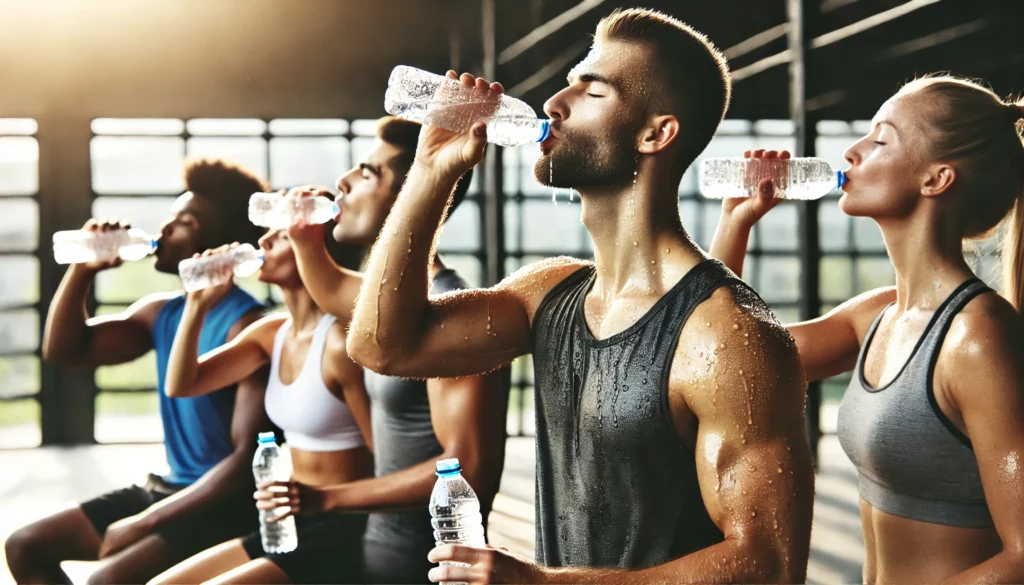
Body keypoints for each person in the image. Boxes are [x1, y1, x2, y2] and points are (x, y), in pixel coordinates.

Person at [345, 8, 814, 584]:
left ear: (654, 133)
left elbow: (766, 564)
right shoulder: (550, 293)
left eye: (592, 90)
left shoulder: (725, 334)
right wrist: (430, 171)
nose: (553, 104)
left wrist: (545, 584)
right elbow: (382, 347)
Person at [710, 77, 1024, 584]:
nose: (851, 153)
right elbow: (725, 358)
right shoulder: (877, 315)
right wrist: (736, 223)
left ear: (936, 179)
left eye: (879, 140)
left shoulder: (978, 337)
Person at [253, 116, 510, 585]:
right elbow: (332, 290)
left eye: (367, 173)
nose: (342, 182)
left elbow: (468, 467)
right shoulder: (392, 303)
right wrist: (304, 238)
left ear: (413, 190)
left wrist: (329, 497)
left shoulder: (451, 308)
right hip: (373, 551)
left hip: (428, 568)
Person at [5, 159, 273, 585]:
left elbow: (246, 462)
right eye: (170, 216)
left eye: (184, 222)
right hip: (168, 488)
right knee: (25, 546)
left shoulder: (249, 325)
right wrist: (83, 270)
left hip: (222, 504)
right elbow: (65, 350)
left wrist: (146, 521)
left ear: (218, 241)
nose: (165, 229)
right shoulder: (161, 312)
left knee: (105, 582)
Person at [147, 222, 374, 585]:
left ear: (316, 253)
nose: (264, 240)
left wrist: (328, 498)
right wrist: (197, 304)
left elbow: (384, 454)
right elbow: (182, 384)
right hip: (288, 522)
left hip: (342, 528)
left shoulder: (338, 343)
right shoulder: (273, 333)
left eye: (281, 235)